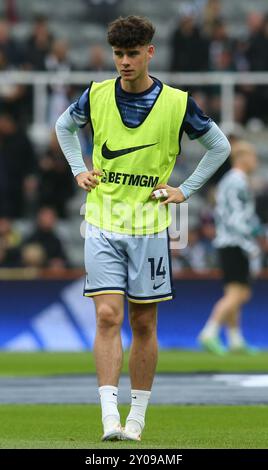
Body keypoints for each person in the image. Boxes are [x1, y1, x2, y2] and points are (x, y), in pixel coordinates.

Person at [55, 15, 230, 442]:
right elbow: (64, 127)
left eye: (133, 53)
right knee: (108, 316)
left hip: (149, 227)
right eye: (118, 54)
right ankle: (108, 418)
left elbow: (219, 146)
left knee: (144, 323)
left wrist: (184, 190)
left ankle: (137, 418)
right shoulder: (96, 95)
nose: (124, 62)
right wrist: (79, 169)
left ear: (149, 52)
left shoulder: (176, 102)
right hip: (101, 222)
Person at [198, 140, 262, 355]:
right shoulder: (237, 182)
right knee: (238, 294)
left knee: (235, 291)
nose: (255, 162)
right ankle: (209, 331)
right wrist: (255, 234)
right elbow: (237, 217)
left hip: (228, 241)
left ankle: (235, 340)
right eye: (252, 157)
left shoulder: (230, 181)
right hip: (235, 242)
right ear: (243, 158)